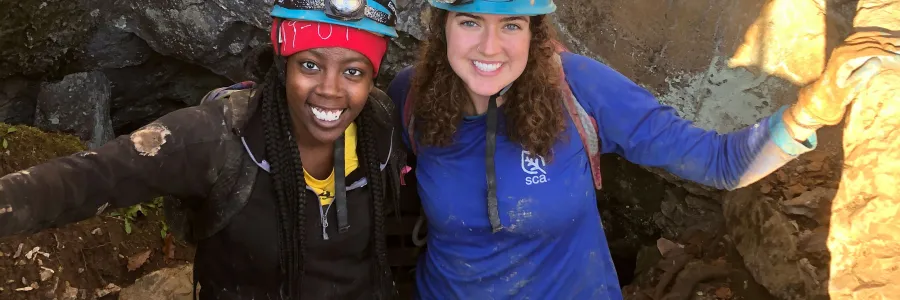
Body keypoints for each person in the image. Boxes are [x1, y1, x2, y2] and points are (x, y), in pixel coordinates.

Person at [387, 0, 899, 298]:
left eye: (512, 24)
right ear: (443, 26)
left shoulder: (579, 89)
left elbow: (718, 163)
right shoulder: (412, 96)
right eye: (470, 21)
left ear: (534, 32)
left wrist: (812, 108)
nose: (490, 47)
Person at [0, 0, 407, 299]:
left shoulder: (380, 127)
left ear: (372, 79)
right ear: (282, 65)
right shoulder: (218, 138)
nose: (331, 90)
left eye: (354, 71)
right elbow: (97, 176)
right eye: (310, 65)